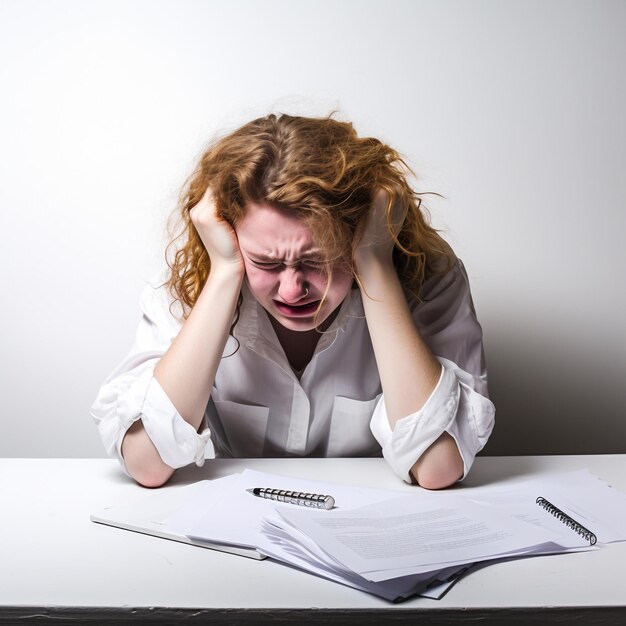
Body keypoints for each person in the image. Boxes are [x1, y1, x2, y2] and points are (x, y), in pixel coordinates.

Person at [91, 113, 495, 490]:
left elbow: (438, 467)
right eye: (265, 262)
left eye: (317, 261)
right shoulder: (189, 284)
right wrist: (227, 273)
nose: (291, 291)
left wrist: (374, 263)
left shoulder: (429, 276)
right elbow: (146, 461)